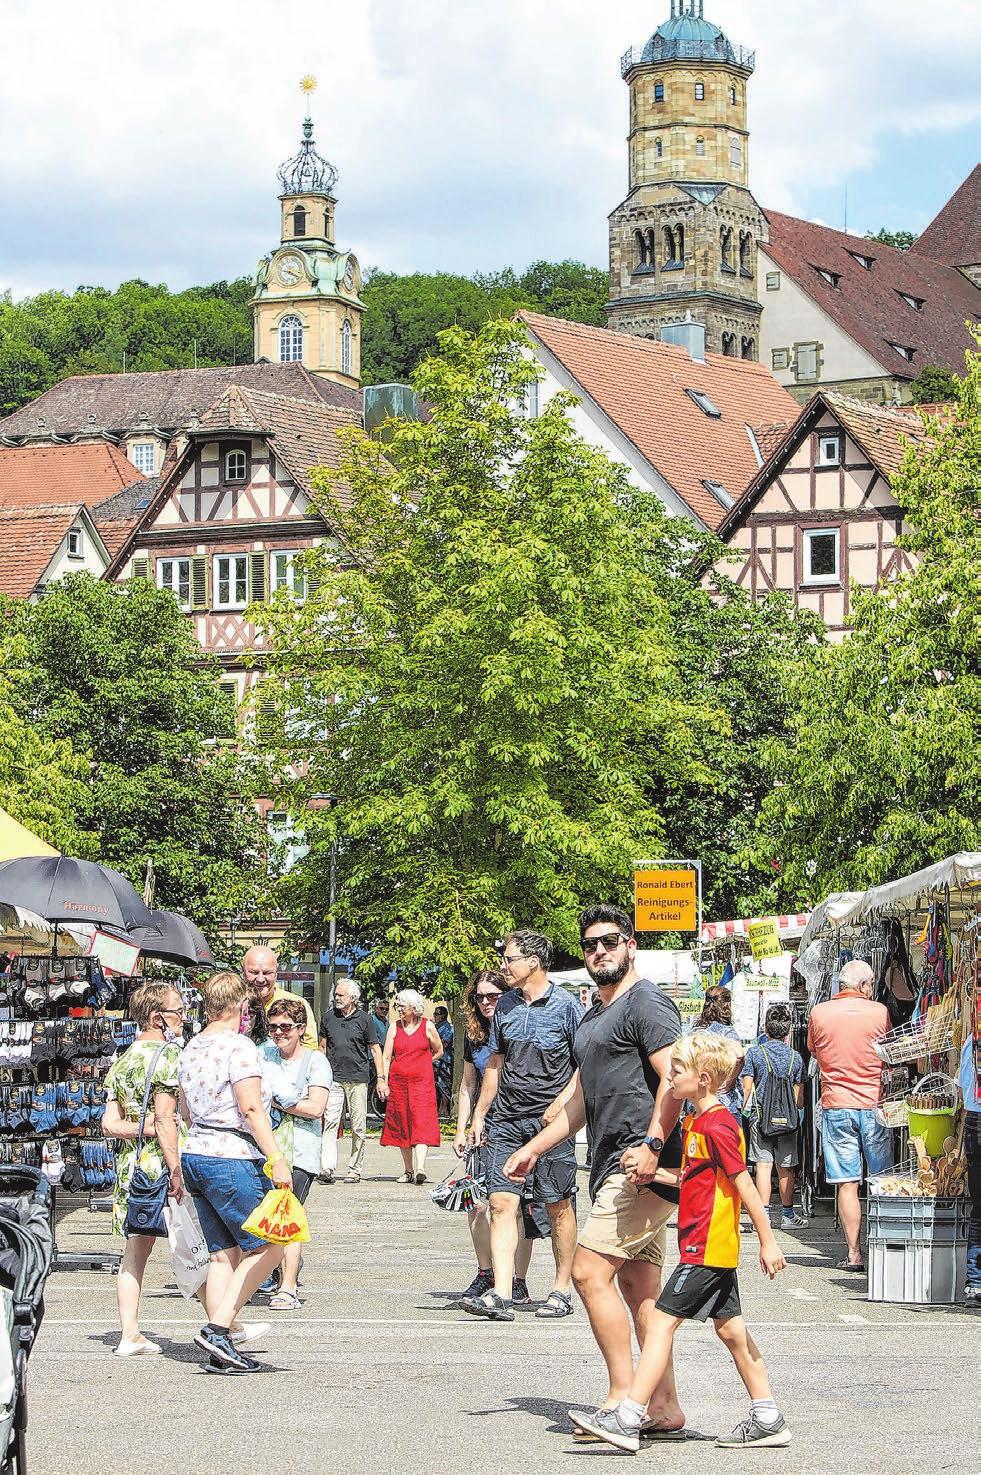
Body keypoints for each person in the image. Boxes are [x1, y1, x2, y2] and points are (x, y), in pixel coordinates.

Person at [504, 905, 686, 1439]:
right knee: (639, 1288)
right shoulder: (592, 1014)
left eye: (609, 941)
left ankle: (620, 1402)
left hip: (640, 1164)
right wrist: (534, 1148)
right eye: (590, 944)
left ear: (630, 944)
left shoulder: (646, 1002)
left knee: (585, 1273)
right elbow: (581, 1099)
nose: (599, 951)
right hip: (610, 1160)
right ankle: (664, 1406)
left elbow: (675, 1081)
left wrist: (654, 1144)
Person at [571, 1031, 790, 1453]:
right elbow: (695, 1181)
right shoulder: (698, 1122)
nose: (668, 1079)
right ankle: (768, 1418)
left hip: (706, 1248)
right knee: (731, 1331)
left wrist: (768, 1240)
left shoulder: (719, 1125)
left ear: (704, 1079)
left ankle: (629, 1416)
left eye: (676, 1072)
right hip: (709, 1247)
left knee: (660, 1325)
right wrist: (654, 1175)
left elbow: (742, 1183)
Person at [464, 930, 582, 1324]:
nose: (504, 965)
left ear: (533, 961)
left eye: (510, 958)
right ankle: (500, 1293)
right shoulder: (507, 1006)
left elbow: (584, 1066)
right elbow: (495, 1064)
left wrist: (562, 1104)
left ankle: (562, 1289)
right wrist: (480, 1115)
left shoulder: (567, 1007)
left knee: (557, 1205)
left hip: (552, 1125)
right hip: (507, 1120)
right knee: (501, 1202)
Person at [178, 970, 293, 1374]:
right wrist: (276, 1156)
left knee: (223, 1253)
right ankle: (219, 1329)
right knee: (271, 1243)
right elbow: (251, 1107)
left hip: (196, 1149)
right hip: (230, 1154)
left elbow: (186, 1110)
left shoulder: (191, 1047)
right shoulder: (240, 1046)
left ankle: (219, 1342)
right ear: (240, 1006)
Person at [102, 982, 184, 1357]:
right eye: (177, 1011)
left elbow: (108, 1124)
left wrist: (141, 1125)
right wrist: (176, 1165)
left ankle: (129, 1332)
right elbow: (165, 1120)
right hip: (158, 1166)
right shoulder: (168, 1056)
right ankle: (224, 1319)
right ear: (157, 1018)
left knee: (136, 1250)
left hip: (129, 1166)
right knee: (193, 1241)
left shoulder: (124, 1058)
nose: (182, 1017)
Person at [453, 969, 542, 1305]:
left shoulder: (520, 1025)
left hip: (518, 1124)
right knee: (476, 1206)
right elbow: (468, 1085)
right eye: (479, 997)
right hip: (483, 1128)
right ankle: (485, 1272)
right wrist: (462, 1128)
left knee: (516, 1207)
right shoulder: (474, 1035)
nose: (486, 1002)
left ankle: (517, 1279)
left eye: (492, 995)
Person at [807, 958, 891, 1271]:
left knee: (847, 1183)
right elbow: (887, 1050)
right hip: (874, 1105)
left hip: (836, 1104)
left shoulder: (819, 1012)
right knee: (882, 1181)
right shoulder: (879, 1012)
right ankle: (884, 1249)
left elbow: (813, 1049)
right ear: (864, 985)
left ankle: (854, 1253)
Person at [261, 997, 332, 1310]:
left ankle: (288, 1286)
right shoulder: (262, 1053)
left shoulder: (315, 1062)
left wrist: (278, 1101)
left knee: (288, 1215)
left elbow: (315, 1108)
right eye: (273, 1027)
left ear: (301, 1029)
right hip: (264, 1148)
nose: (279, 1032)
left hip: (300, 1151)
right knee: (264, 1216)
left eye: (286, 1027)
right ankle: (267, 1274)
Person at [741, 1003, 807, 1230]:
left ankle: (765, 1215)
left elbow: (747, 1089)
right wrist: (797, 1114)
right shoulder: (796, 1058)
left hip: (760, 1119)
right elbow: (799, 1098)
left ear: (765, 1029)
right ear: (788, 1031)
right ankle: (788, 1215)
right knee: (786, 1167)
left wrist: (745, 1112)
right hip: (787, 1120)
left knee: (763, 1166)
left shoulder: (754, 1054)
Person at [319, 979, 384, 1184]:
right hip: (334, 1078)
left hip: (358, 1079)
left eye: (341, 995)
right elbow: (322, 1048)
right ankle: (327, 1168)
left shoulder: (365, 1020)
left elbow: (375, 1049)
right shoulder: (328, 1018)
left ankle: (354, 1169)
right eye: (336, 995)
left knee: (358, 1127)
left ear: (353, 998)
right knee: (330, 1123)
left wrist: (381, 1079)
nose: (336, 998)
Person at [380, 989, 443, 1182]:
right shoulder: (394, 1027)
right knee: (402, 1124)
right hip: (398, 1084)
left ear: (413, 1008)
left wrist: (423, 1063)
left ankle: (420, 1168)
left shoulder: (428, 1026)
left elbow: (439, 1051)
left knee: (422, 1122)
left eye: (402, 1006)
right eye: (397, 1006)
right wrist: (382, 1080)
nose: (398, 1009)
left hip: (422, 1084)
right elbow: (386, 1056)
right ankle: (408, 1170)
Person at [242, 944, 318, 1049]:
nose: (260, 979)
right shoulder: (234, 1004)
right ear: (243, 972)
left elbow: (309, 1047)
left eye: (267, 973)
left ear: (276, 973)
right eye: (254, 972)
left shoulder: (296, 1004)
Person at [695, 985, 745, 1119]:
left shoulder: (696, 1031)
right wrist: (731, 1079)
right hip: (724, 1102)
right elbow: (739, 1055)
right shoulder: (726, 1032)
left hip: (698, 1101)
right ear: (726, 1005)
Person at [958, 1019, 979, 1305]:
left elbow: (964, 1084)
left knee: (979, 1206)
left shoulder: (972, 1039)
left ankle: (975, 1282)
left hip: (975, 1119)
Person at [433, 1004, 455, 1118]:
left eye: (436, 1014)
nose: (434, 1016)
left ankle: (445, 1110)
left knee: (444, 1085)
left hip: (444, 1061)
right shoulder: (436, 1027)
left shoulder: (447, 1028)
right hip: (435, 1061)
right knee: (436, 1085)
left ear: (443, 1016)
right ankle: (438, 1109)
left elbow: (445, 1043)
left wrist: (433, 1040)